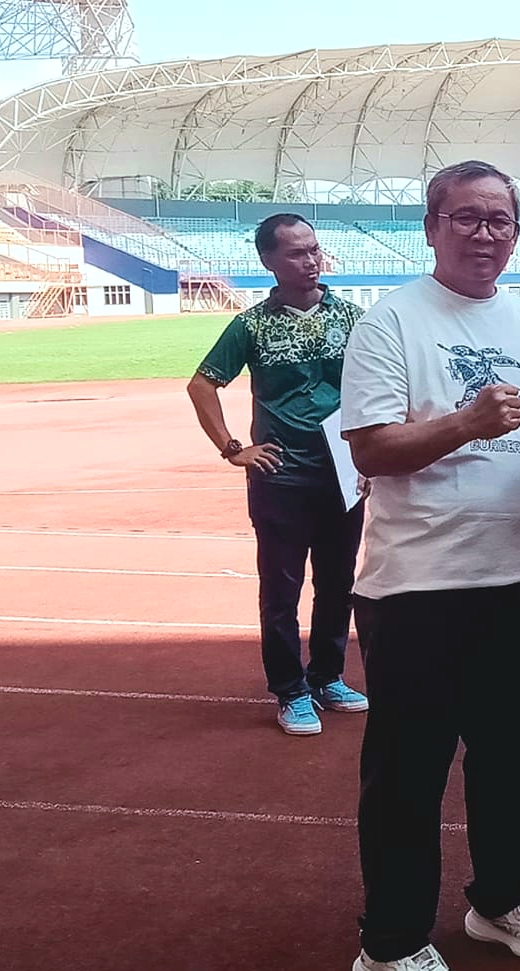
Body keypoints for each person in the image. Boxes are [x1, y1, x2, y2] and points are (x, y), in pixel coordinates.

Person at [340, 160, 520, 971]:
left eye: (499, 219)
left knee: (509, 757)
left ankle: (499, 897)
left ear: (516, 232)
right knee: (408, 773)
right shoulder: (391, 322)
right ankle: (391, 942)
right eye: (466, 217)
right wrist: (467, 422)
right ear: (431, 227)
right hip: (419, 587)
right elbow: (371, 449)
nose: (485, 233)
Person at [186, 213, 370, 736]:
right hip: (281, 476)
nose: (311, 261)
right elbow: (202, 385)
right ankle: (291, 690)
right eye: (296, 253)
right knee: (281, 589)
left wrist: (370, 456)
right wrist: (233, 449)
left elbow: (378, 387)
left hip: (342, 474)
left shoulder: (353, 319)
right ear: (268, 260)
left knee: (338, 582)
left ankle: (328, 676)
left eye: (314, 249)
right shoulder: (251, 326)